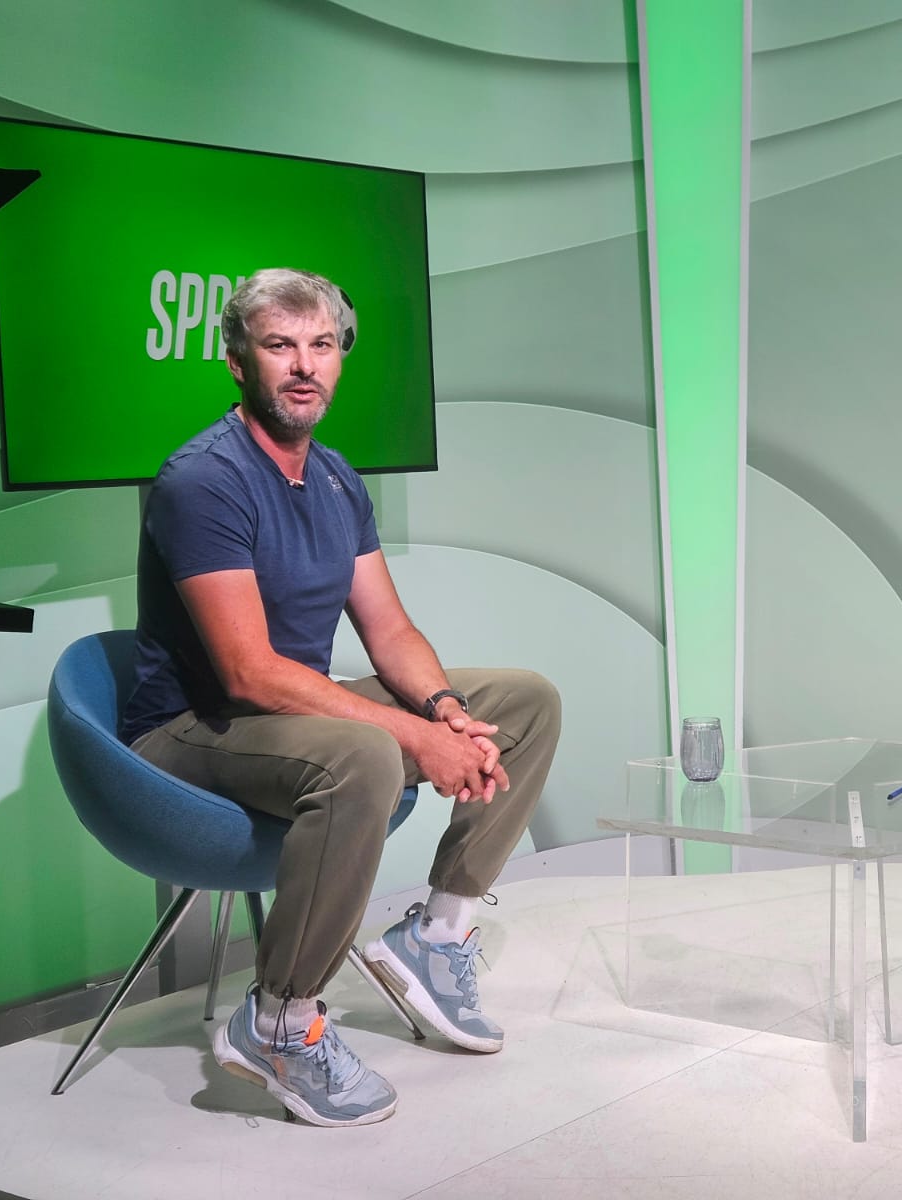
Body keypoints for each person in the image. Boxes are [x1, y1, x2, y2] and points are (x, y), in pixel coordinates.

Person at [121, 268, 562, 1127]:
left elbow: (389, 631)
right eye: (280, 345)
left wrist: (444, 712)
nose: (304, 365)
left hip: (291, 715)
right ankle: (280, 1022)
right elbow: (248, 674)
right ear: (237, 361)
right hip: (193, 729)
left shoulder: (334, 477)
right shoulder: (203, 480)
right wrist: (410, 737)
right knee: (363, 753)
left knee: (525, 703)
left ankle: (436, 938)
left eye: (321, 345)